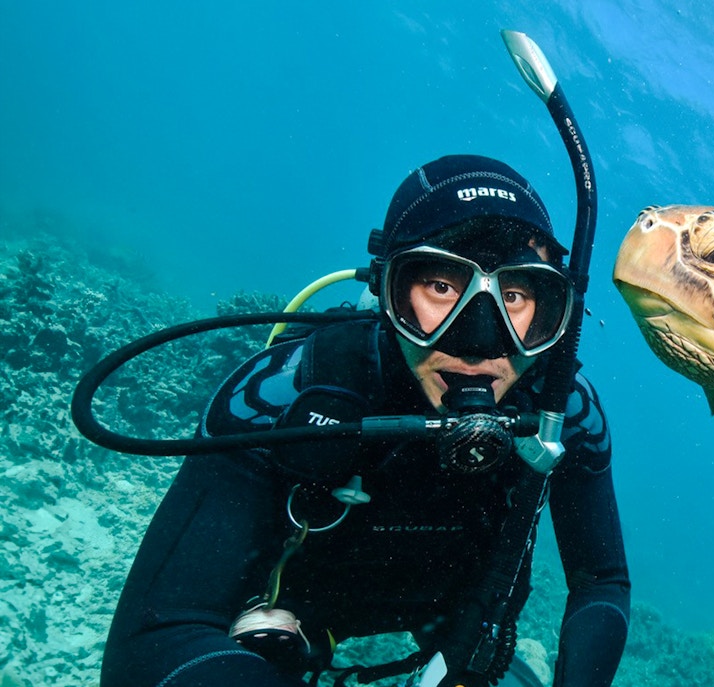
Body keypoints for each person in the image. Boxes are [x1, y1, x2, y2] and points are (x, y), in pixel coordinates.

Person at [100, 155, 631, 687]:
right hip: (295, 620)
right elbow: (156, 636)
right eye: (442, 287)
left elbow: (601, 579)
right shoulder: (280, 394)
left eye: (514, 296)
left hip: (460, 624)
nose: (478, 345)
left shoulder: (563, 414)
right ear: (388, 291)